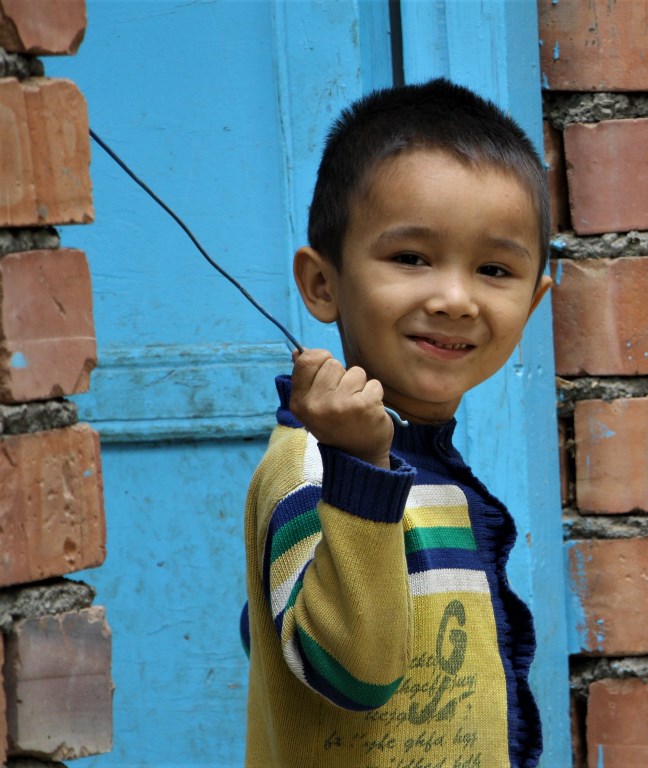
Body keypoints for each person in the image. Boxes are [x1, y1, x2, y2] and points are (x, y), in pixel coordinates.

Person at [241, 77, 552, 768]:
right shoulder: (314, 468)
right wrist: (357, 471)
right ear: (323, 284)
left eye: (494, 269)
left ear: (532, 305)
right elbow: (353, 671)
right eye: (411, 258)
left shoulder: (433, 470)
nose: (454, 299)